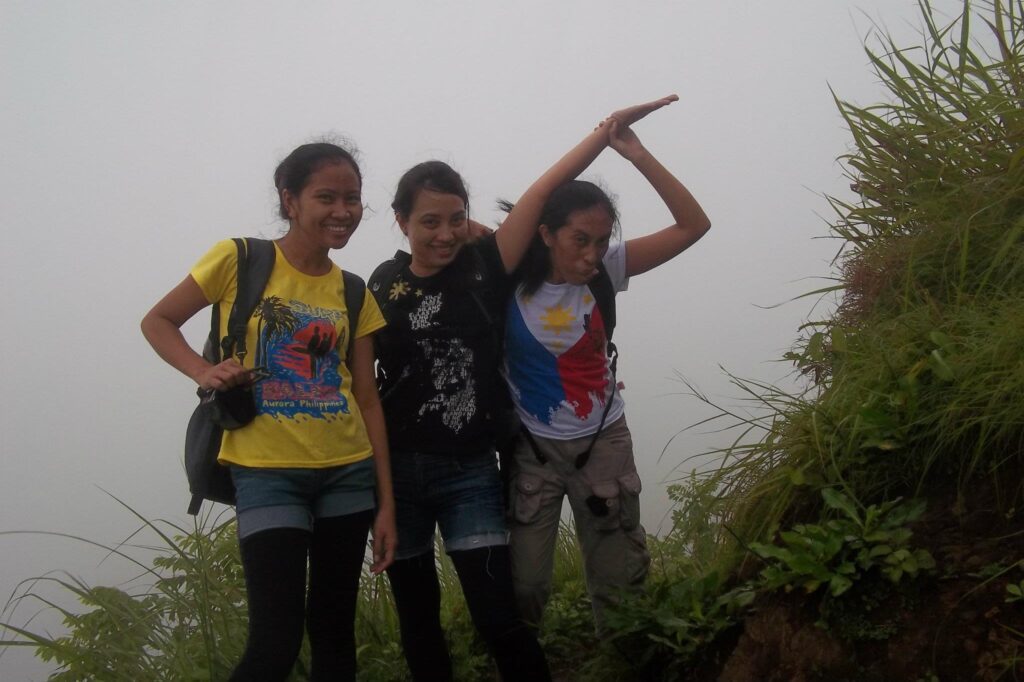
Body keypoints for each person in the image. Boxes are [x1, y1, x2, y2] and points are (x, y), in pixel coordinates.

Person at [369, 97, 675, 682]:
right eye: (427, 221)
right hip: (404, 469)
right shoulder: (382, 284)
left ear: (469, 218)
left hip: (471, 469)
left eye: (455, 218)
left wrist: (606, 134)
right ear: (400, 220)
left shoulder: (487, 267)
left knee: (503, 615)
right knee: (425, 617)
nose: (444, 232)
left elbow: (542, 191)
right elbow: (364, 382)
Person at [141, 142, 396, 681]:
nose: (342, 210)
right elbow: (159, 321)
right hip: (266, 474)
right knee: (274, 642)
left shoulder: (353, 291)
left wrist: (387, 502)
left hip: (348, 473)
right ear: (290, 201)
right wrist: (202, 371)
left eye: (352, 198)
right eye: (325, 197)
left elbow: (367, 398)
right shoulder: (240, 259)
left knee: (333, 631)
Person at [504, 109, 711, 632]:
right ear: (547, 233)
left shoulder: (607, 270)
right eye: (580, 240)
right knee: (523, 584)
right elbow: (530, 200)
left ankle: (622, 660)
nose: (593, 254)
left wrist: (637, 153)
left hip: (604, 441)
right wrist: (598, 137)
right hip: (534, 449)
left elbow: (693, 226)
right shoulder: (505, 276)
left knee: (621, 584)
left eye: (601, 241)